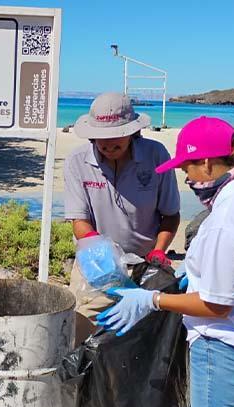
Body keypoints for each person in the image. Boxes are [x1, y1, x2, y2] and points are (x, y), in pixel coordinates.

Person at [96, 116, 234, 407]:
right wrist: (198, 273)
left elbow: (217, 304)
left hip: (229, 356)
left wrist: (152, 300)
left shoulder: (226, 220)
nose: (185, 177)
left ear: (205, 163)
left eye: (186, 169)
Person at [63, 92, 181, 342]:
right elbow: (79, 222)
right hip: (94, 267)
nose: (108, 145)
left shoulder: (156, 156)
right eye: (102, 138)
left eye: (116, 137)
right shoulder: (76, 162)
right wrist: (105, 259)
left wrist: (159, 251)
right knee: (81, 336)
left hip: (145, 266)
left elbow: (170, 215)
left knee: (139, 342)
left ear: (133, 132)